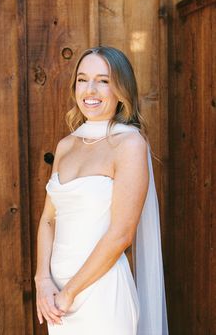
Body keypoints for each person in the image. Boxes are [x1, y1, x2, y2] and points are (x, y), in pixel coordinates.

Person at [34, 46, 168, 335]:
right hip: (55, 297)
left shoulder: (129, 144)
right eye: (82, 79)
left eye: (103, 80)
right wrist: (42, 280)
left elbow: (122, 233)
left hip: (100, 293)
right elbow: (48, 219)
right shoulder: (66, 145)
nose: (90, 89)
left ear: (121, 89)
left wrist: (70, 292)